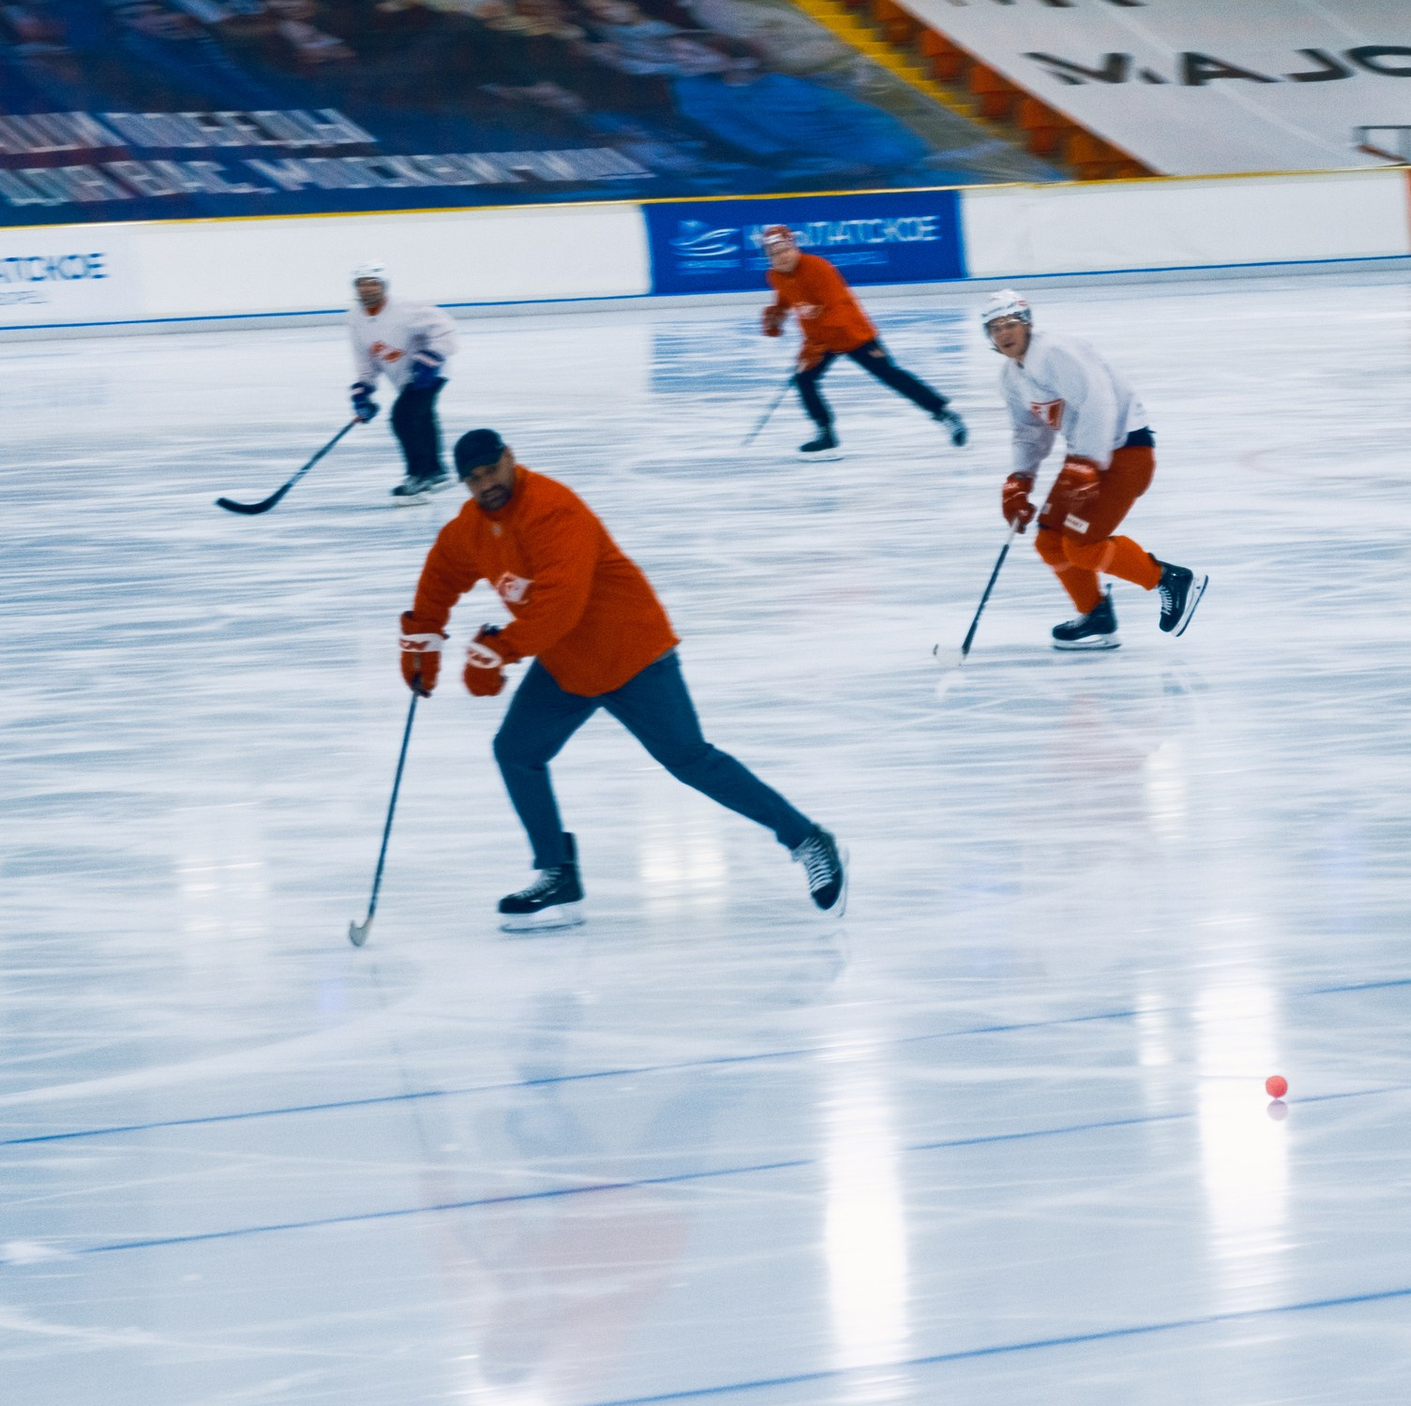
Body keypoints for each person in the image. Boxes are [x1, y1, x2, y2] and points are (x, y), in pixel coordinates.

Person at [399, 426, 844, 926]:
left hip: (631, 653)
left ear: (510, 458)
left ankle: (807, 839)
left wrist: (500, 650)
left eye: (491, 470)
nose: (485, 485)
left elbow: (560, 605)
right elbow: (439, 578)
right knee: (517, 751)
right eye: (473, 479)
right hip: (567, 664)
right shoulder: (471, 528)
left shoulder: (553, 509)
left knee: (690, 759)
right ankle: (556, 869)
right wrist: (423, 640)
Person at [983, 288, 1205, 652]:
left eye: (1010, 323)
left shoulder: (1055, 353)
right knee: (1050, 540)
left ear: (1027, 323)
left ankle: (1171, 580)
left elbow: (1098, 402)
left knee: (1082, 547)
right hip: (1087, 458)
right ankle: (1096, 615)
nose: (1004, 333)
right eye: (994, 328)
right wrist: (1018, 481)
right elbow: (1028, 432)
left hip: (1125, 453)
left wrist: (1084, 464)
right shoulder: (1012, 378)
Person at [761, 223, 966, 454]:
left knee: (890, 374)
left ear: (795, 247)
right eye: (775, 254)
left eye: (785, 250)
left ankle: (944, 413)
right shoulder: (776, 276)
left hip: (852, 333)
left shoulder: (819, 268)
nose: (782, 257)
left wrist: (814, 345)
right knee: (804, 379)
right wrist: (777, 314)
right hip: (822, 340)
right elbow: (788, 296)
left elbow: (836, 309)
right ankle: (825, 432)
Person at [349, 270, 457, 498]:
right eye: (362, 283)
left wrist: (431, 358)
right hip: (405, 378)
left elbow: (444, 327)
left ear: (384, 285)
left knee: (403, 417)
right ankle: (436, 472)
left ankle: (417, 474)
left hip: (429, 372)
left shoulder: (405, 308)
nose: (367, 288)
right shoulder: (356, 318)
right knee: (421, 417)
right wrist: (363, 392)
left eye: (373, 283)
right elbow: (365, 358)